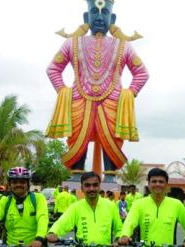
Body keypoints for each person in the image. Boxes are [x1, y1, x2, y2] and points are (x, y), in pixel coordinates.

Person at [46, 0, 149, 183]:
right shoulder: (72, 43)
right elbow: (53, 68)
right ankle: (76, 175)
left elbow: (141, 73)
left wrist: (130, 93)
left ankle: (110, 177)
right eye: (95, 12)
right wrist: (63, 91)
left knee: (111, 137)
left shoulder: (123, 46)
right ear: (86, 17)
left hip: (113, 101)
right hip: (79, 100)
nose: (100, 17)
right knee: (78, 135)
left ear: (112, 18)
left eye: (105, 13)